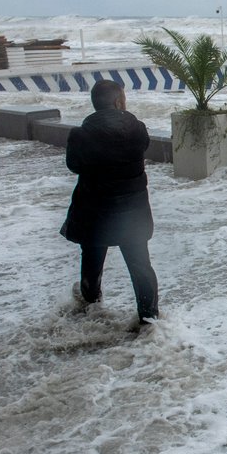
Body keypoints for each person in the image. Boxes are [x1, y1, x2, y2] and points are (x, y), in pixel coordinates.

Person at [60, 80, 159, 326]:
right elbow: (143, 148)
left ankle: (92, 314)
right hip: (132, 214)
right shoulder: (138, 130)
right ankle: (150, 319)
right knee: (140, 266)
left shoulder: (80, 135)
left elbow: (74, 166)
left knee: (92, 263)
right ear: (118, 102)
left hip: (95, 212)